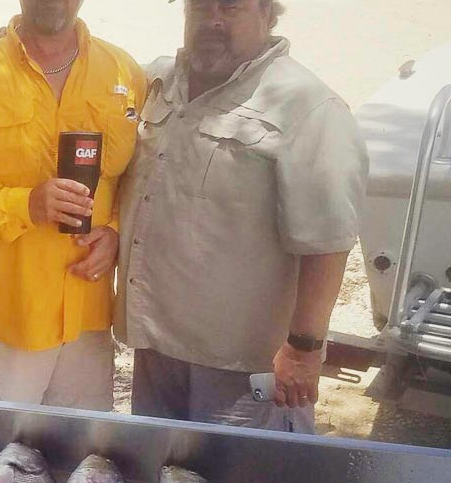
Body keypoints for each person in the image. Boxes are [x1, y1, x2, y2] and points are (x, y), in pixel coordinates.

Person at [115, 0, 367, 431]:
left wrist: (304, 350)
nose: (212, 20)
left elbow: (329, 242)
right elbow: (80, 66)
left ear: (269, 16)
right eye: (200, 6)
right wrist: (2, 42)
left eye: (231, 8)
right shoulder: (155, 81)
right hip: (156, 349)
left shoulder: (309, 106)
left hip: (246, 369)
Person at [0, 0, 145, 409]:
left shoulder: (124, 73)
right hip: (6, 324)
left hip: (88, 326)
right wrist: (26, 206)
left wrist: (115, 231)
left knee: (80, 464)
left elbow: (140, 181)